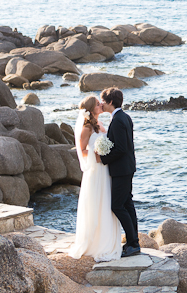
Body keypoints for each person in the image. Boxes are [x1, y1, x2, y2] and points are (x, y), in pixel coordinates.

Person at [67, 95, 122, 262]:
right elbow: (82, 150)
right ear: (92, 109)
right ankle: (95, 243)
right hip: (95, 171)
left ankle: (107, 240)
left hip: (105, 170)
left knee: (106, 203)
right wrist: (98, 155)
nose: (102, 105)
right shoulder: (86, 128)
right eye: (99, 104)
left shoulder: (99, 124)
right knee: (96, 204)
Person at [99, 86, 140, 257]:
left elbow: (121, 148)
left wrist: (103, 158)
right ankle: (133, 242)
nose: (101, 104)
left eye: (103, 101)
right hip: (127, 167)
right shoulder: (124, 117)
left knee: (117, 205)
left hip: (122, 170)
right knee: (127, 204)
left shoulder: (117, 120)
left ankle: (133, 243)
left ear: (110, 102)